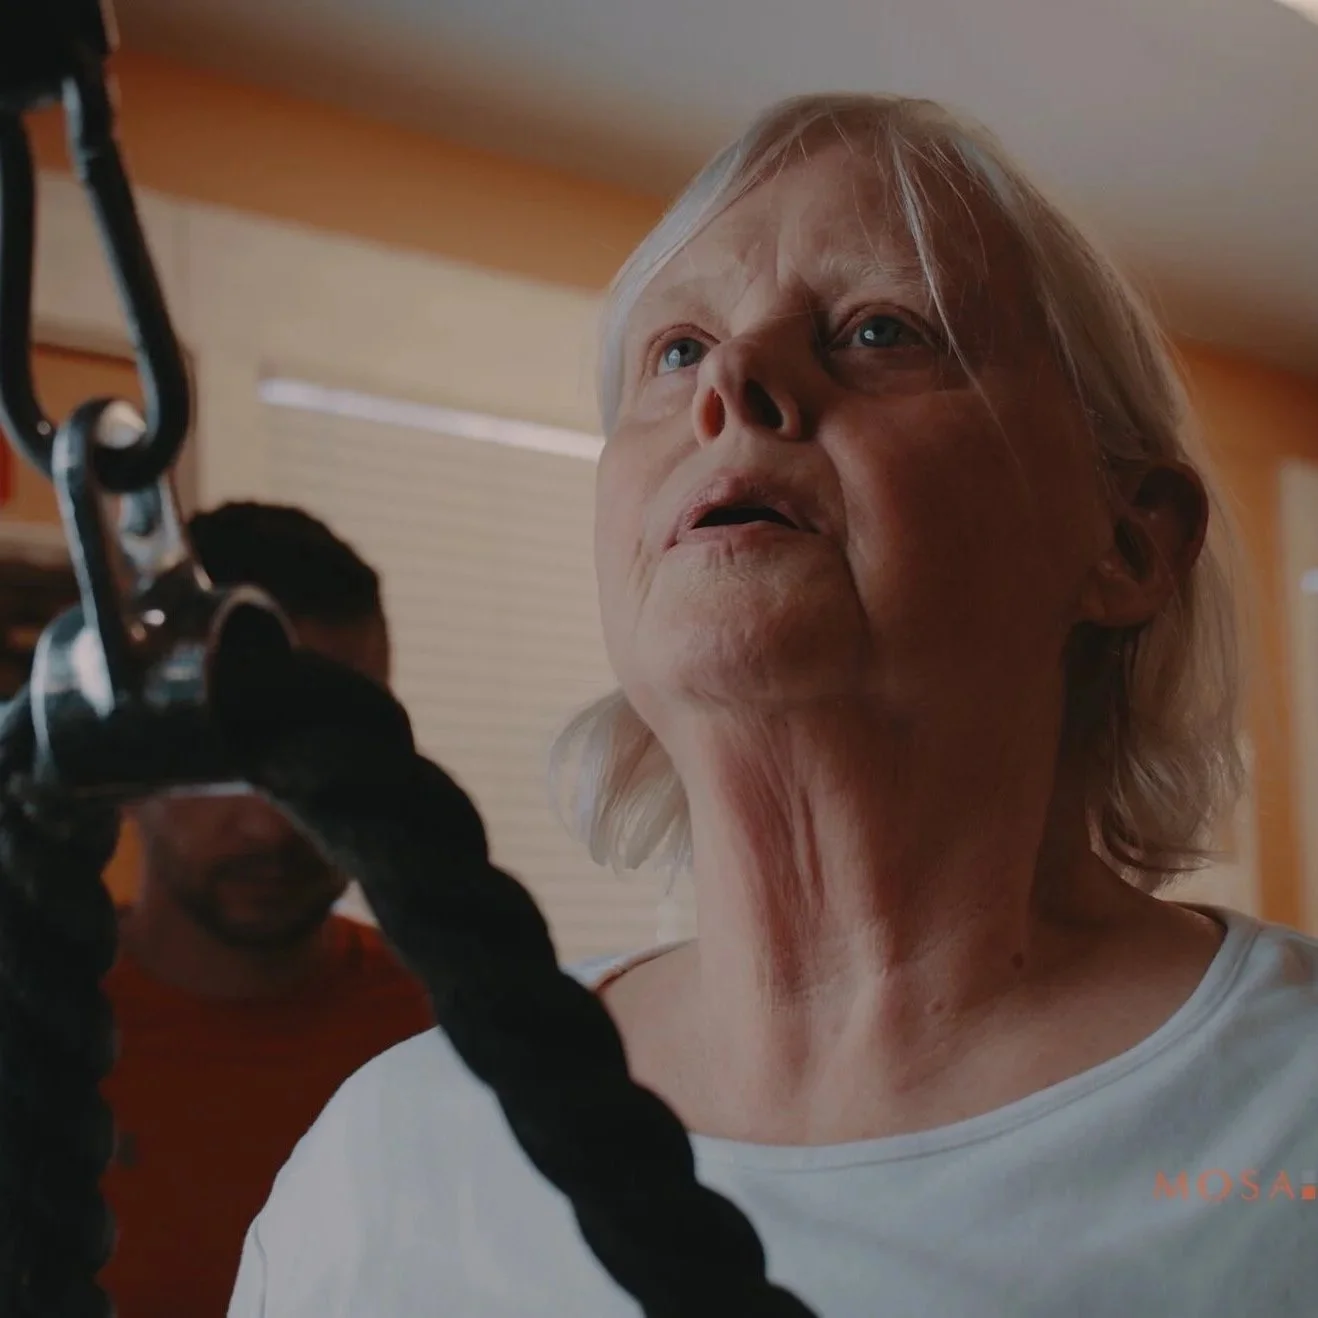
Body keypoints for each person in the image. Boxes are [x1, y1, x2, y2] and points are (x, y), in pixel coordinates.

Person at [228, 96, 1318, 1318]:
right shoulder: (389, 1160)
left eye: (879, 330)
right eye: (677, 350)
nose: (734, 380)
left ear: (1127, 541)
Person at [101, 502, 433, 1318]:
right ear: (133, 750)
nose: (276, 820)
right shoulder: (32, 1027)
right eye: (232, 754)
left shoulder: (443, 1037)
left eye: (330, 749)